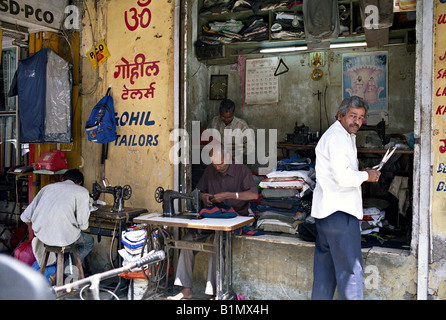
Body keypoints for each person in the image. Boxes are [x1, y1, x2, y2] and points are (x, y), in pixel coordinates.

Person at [310, 96, 381, 300]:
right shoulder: (337, 138)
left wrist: (362, 172)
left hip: (327, 215)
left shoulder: (343, 136)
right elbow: (343, 178)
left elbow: (342, 171)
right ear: (340, 115)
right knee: (351, 273)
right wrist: (367, 176)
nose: (357, 121)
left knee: (325, 275)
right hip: (340, 214)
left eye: (360, 117)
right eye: (352, 116)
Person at [169, 143, 258, 299]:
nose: (218, 167)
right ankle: (186, 290)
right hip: (213, 217)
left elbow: (253, 195)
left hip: (234, 220)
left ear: (229, 157)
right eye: (214, 164)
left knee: (215, 245)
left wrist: (229, 195)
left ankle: (214, 293)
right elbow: (198, 191)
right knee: (186, 242)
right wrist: (204, 197)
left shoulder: (241, 170)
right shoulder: (210, 170)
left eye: (221, 163)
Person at [21, 169, 94, 280]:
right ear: (79, 183)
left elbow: (25, 217)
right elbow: (83, 225)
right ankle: (64, 271)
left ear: (62, 179)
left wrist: (44, 229)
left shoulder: (47, 188)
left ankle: (61, 273)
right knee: (89, 242)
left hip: (42, 237)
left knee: (64, 243)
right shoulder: (82, 191)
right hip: (65, 238)